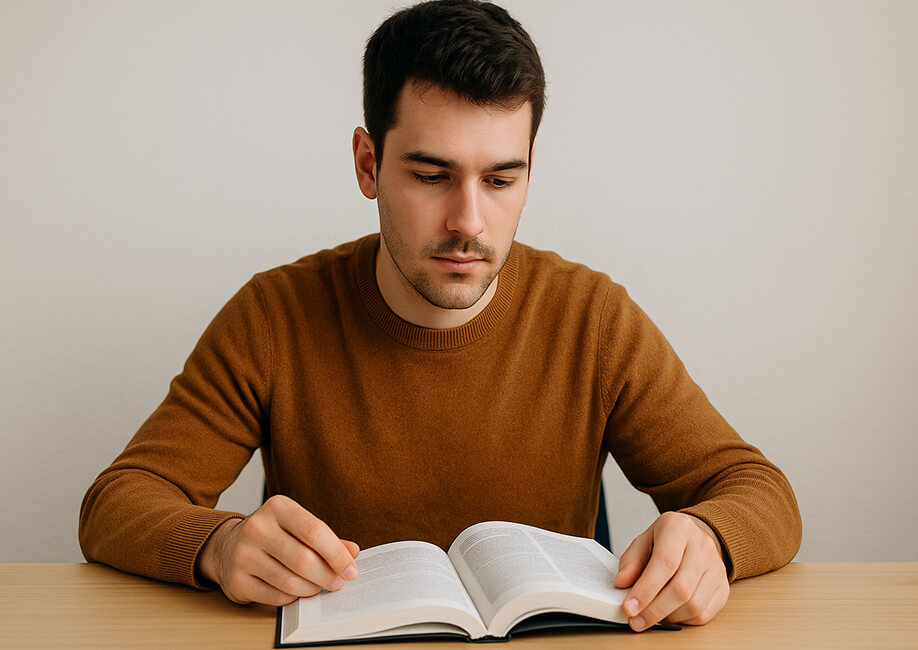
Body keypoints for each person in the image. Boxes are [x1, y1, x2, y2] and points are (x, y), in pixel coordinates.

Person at [79, 0, 800, 630]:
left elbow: (760, 492)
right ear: (368, 164)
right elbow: (117, 503)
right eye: (431, 176)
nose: (469, 220)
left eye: (500, 178)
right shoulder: (275, 316)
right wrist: (218, 545)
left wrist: (710, 537)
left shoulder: (593, 319)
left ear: (529, 168)